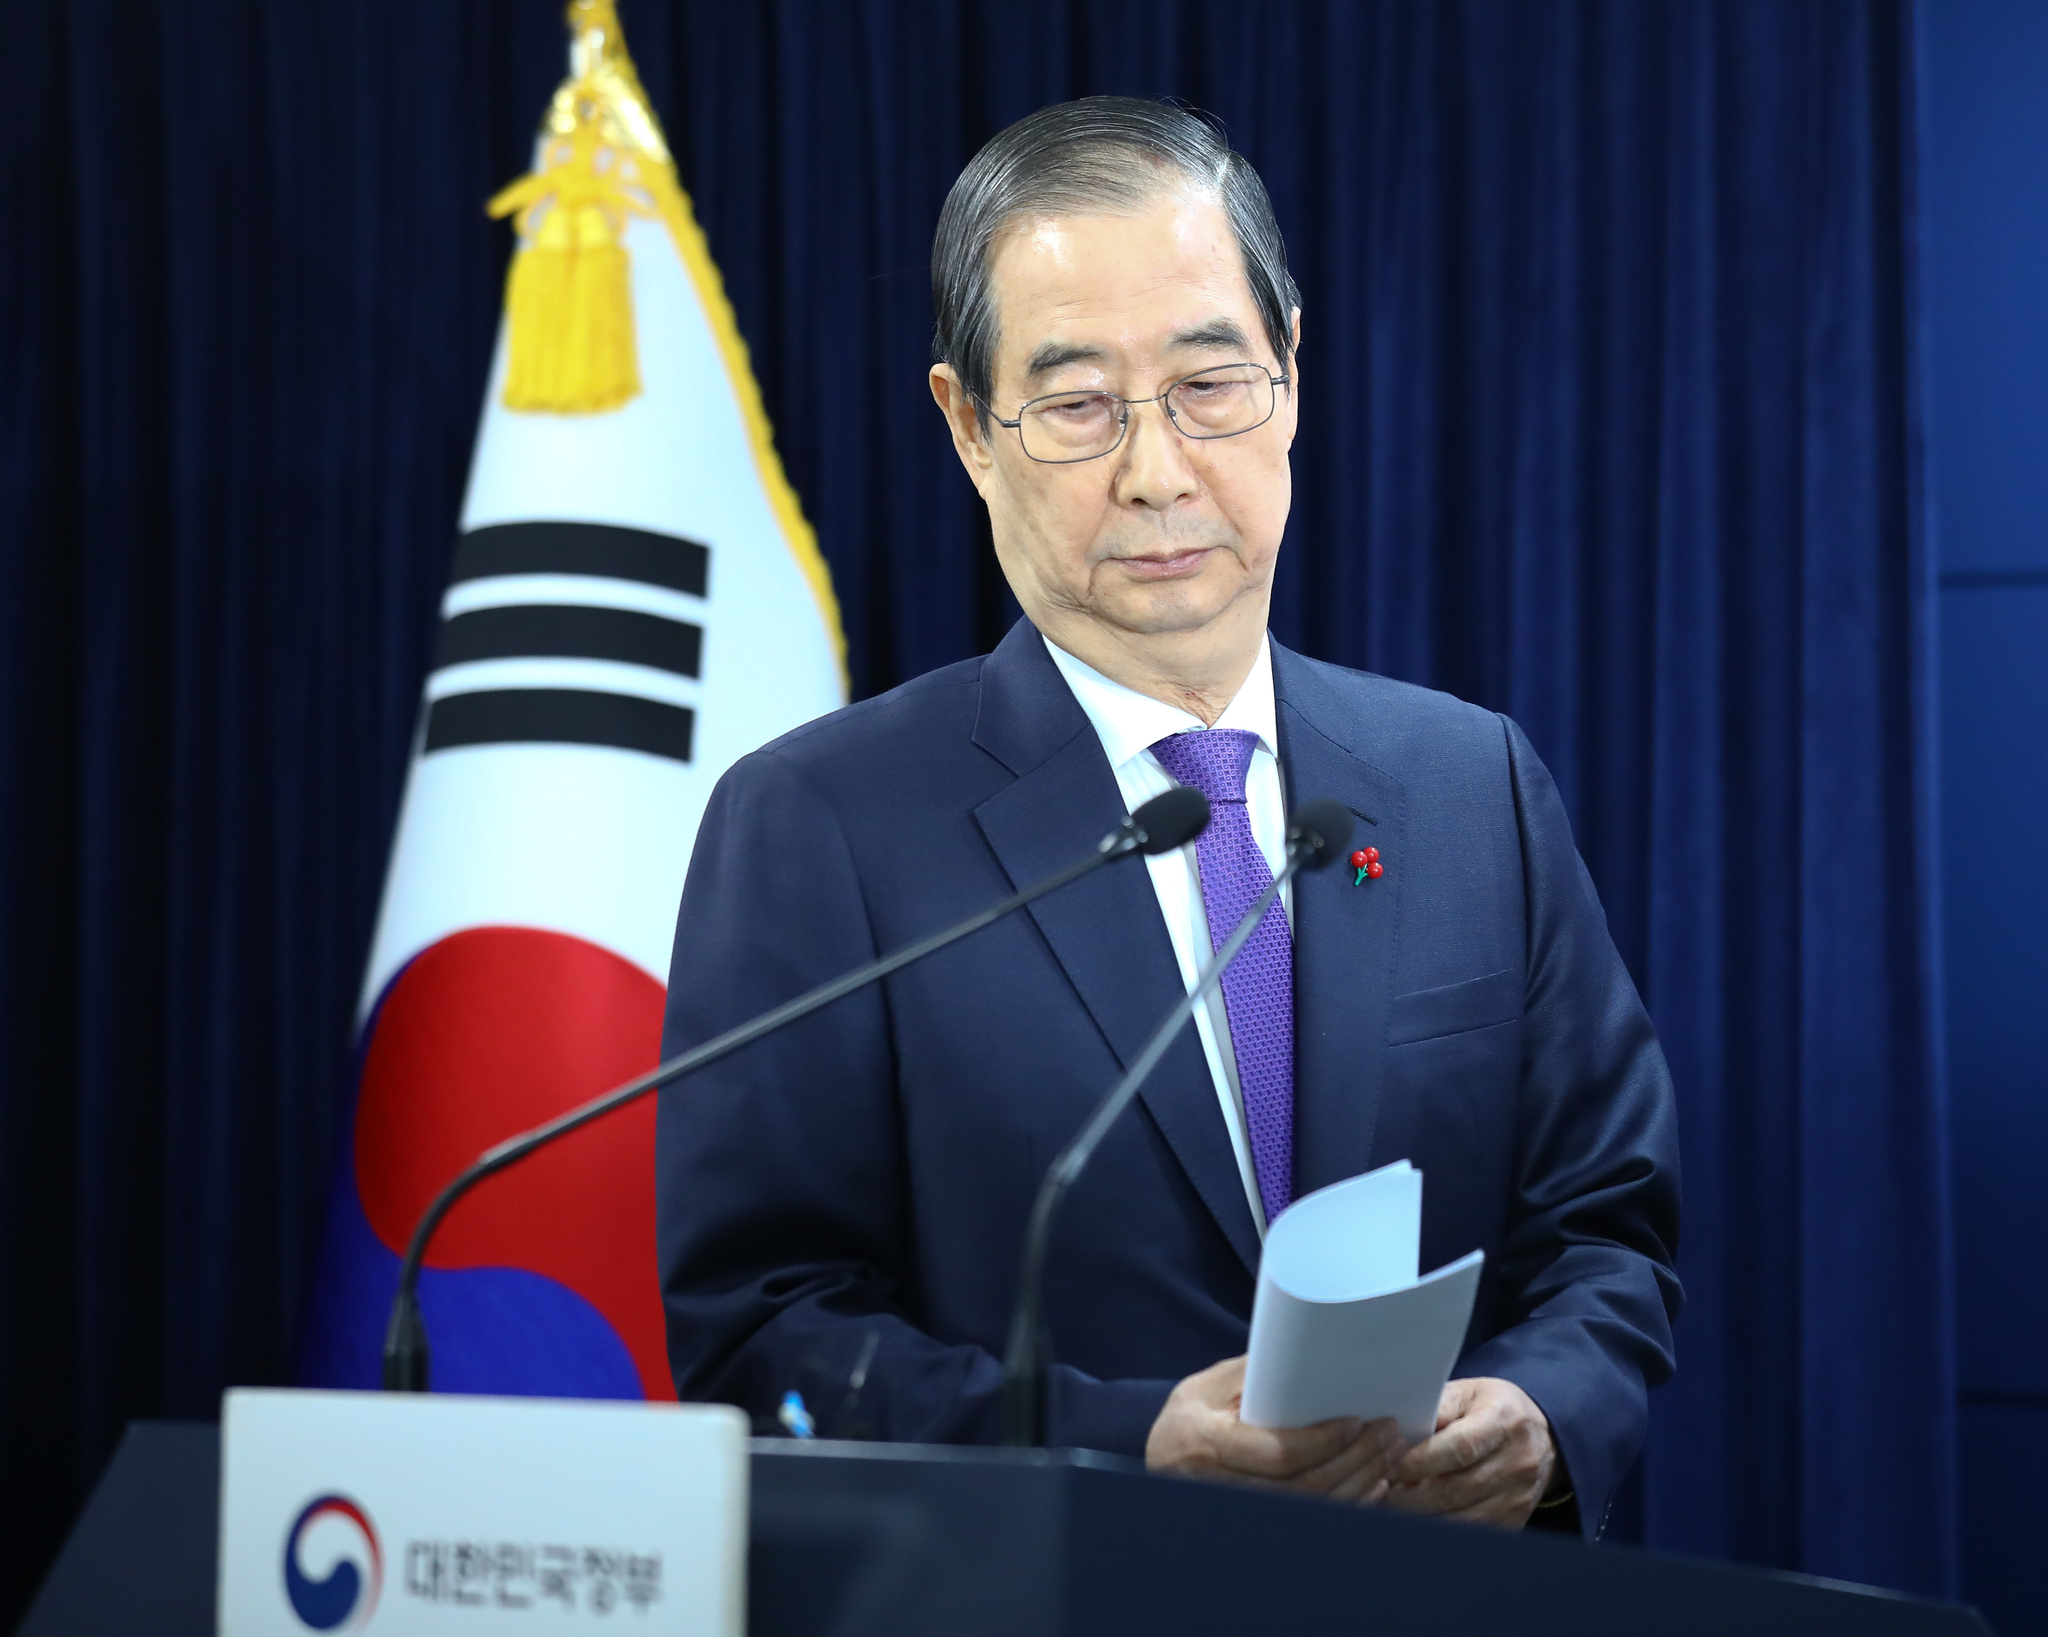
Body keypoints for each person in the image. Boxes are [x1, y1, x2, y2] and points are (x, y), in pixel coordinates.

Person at [658, 97, 1680, 1536]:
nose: (1157, 468)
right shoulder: (817, 827)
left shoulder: (1471, 784)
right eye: (1079, 405)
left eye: (1211, 384)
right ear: (969, 428)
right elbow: (763, 1335)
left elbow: (1609, 1229)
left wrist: (1544, 1412)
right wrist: (1119, 1444)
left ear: (1294, 373)